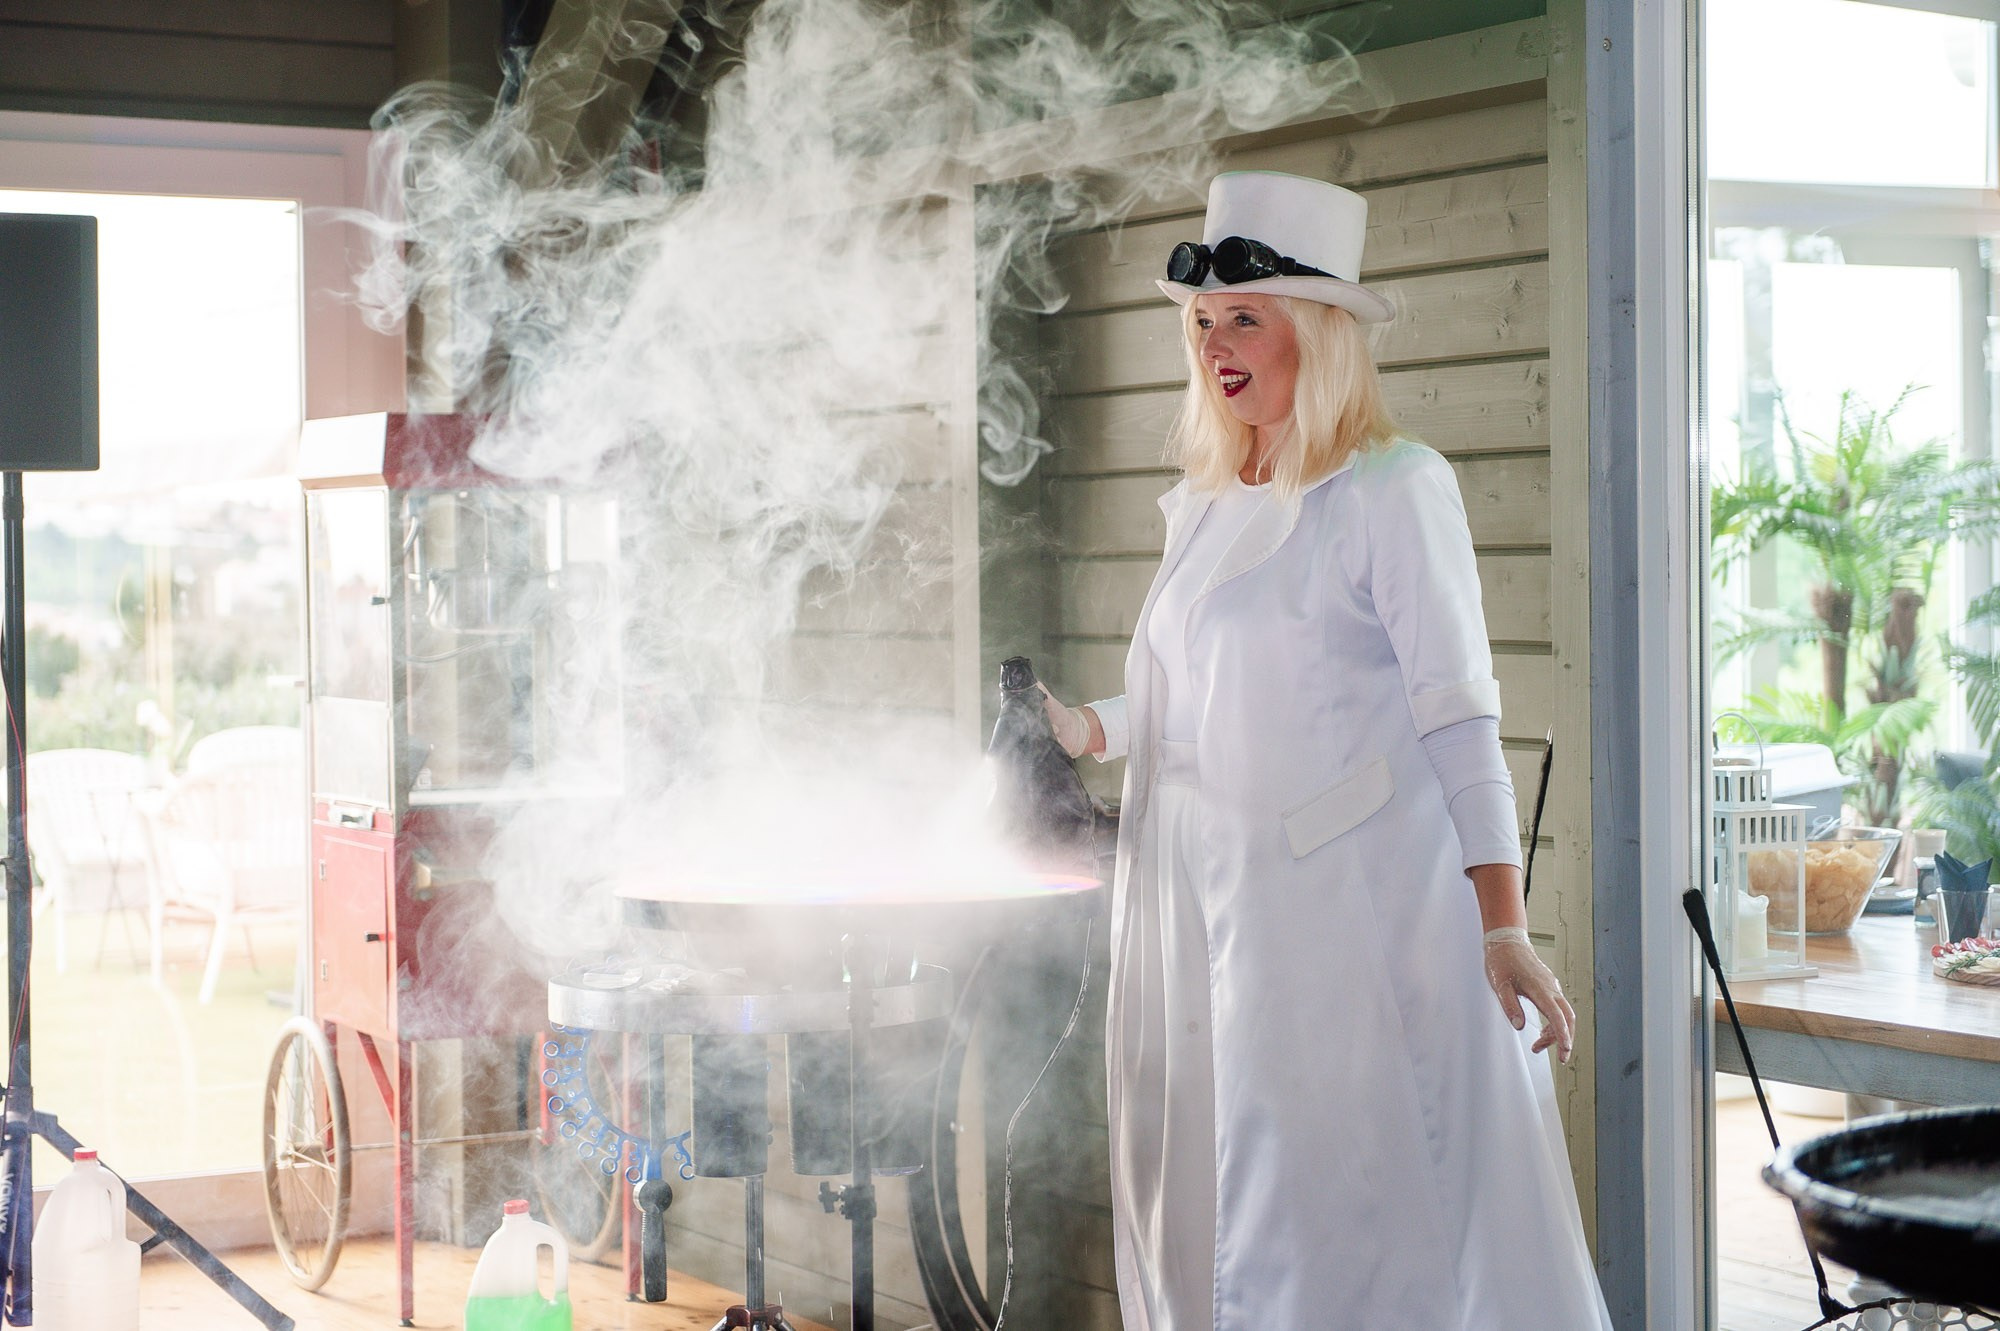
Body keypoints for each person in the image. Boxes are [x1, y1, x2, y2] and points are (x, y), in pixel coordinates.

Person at [1037, 171, 1612, 1330]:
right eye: (1201, 322)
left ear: (1319, 327)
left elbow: (1458, 716)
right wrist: (1085, 727)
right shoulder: (1208, 499)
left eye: (1244, 316)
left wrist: (1501, 923)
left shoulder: (1395, 490)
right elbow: (1193, 690)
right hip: (1213, 925)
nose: (1215, 345)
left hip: (1352, 934)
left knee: (1352, 1236)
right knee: (1224, 1210)